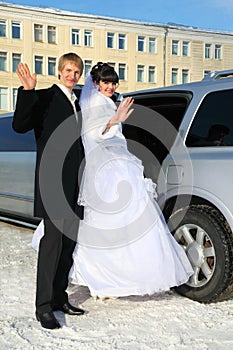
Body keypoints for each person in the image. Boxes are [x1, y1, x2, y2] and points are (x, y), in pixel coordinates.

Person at [34, 62, 193, 300]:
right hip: (105, 171)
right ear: (96, 83)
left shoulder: (108, 102)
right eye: (106, 82)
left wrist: (115, 120)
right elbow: (91, 134)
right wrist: (112, 121)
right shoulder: (93, 103)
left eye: (113, 82)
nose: (110, 86)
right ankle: (102, 280)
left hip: (120, 165)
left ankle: (126, 276)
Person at [13, 53, 85, 329]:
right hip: (53, 183)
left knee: (67, 245)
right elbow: (20, 126)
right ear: (59, 72)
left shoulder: (77, 102)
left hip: (75, 186)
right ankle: (43, 307)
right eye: (67, 70)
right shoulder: (44, 97)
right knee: (52, 246)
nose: (72, 75)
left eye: (76, 71)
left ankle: (58, 297)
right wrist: (28, 91)